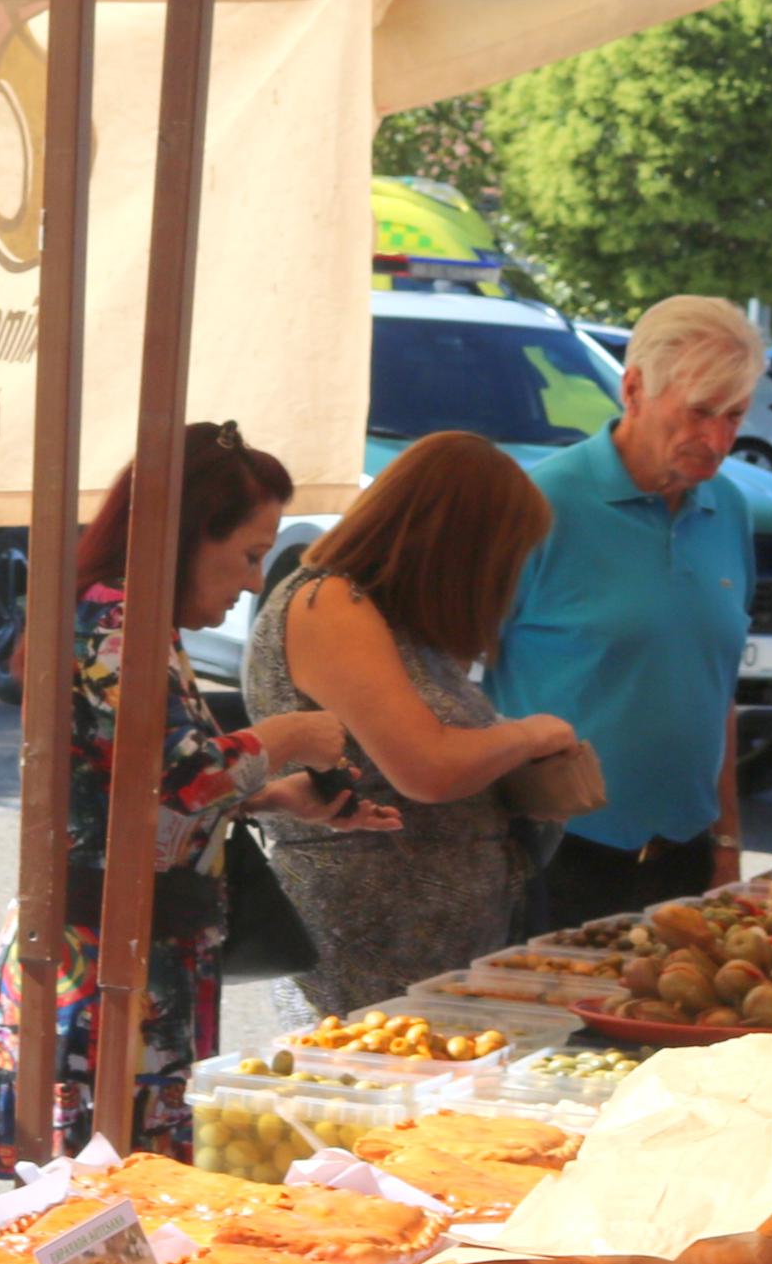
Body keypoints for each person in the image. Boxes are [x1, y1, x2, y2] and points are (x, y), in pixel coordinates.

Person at [0, 421, 381, 1169]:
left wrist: (271, 797)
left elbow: (129, 782)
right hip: (103, 957)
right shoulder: (115, 617)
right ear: (187, 535)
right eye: (250, 555)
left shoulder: (129, 615)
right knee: (98, 1195)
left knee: (112, 1190)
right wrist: (285, 734)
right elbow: (186, 777)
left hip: (126, 948)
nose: (256, 580)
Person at [242, 431, 580, 1013]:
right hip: (364, 958)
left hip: (433, 955)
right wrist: (528, 736)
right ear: (459, 542)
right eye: (507, 555)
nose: (510, 576)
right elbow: (427, 768)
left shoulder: (395, 618)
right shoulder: (329, 603)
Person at [492, 293, 762, 928]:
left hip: (685, 858)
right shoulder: (538, 505)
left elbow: (716, 688)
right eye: (699, 412)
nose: (716, 439)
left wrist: (726, 845)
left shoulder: (731, 510)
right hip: (555, 859)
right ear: (634, 388)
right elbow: (448, 678)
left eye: (735, 416)